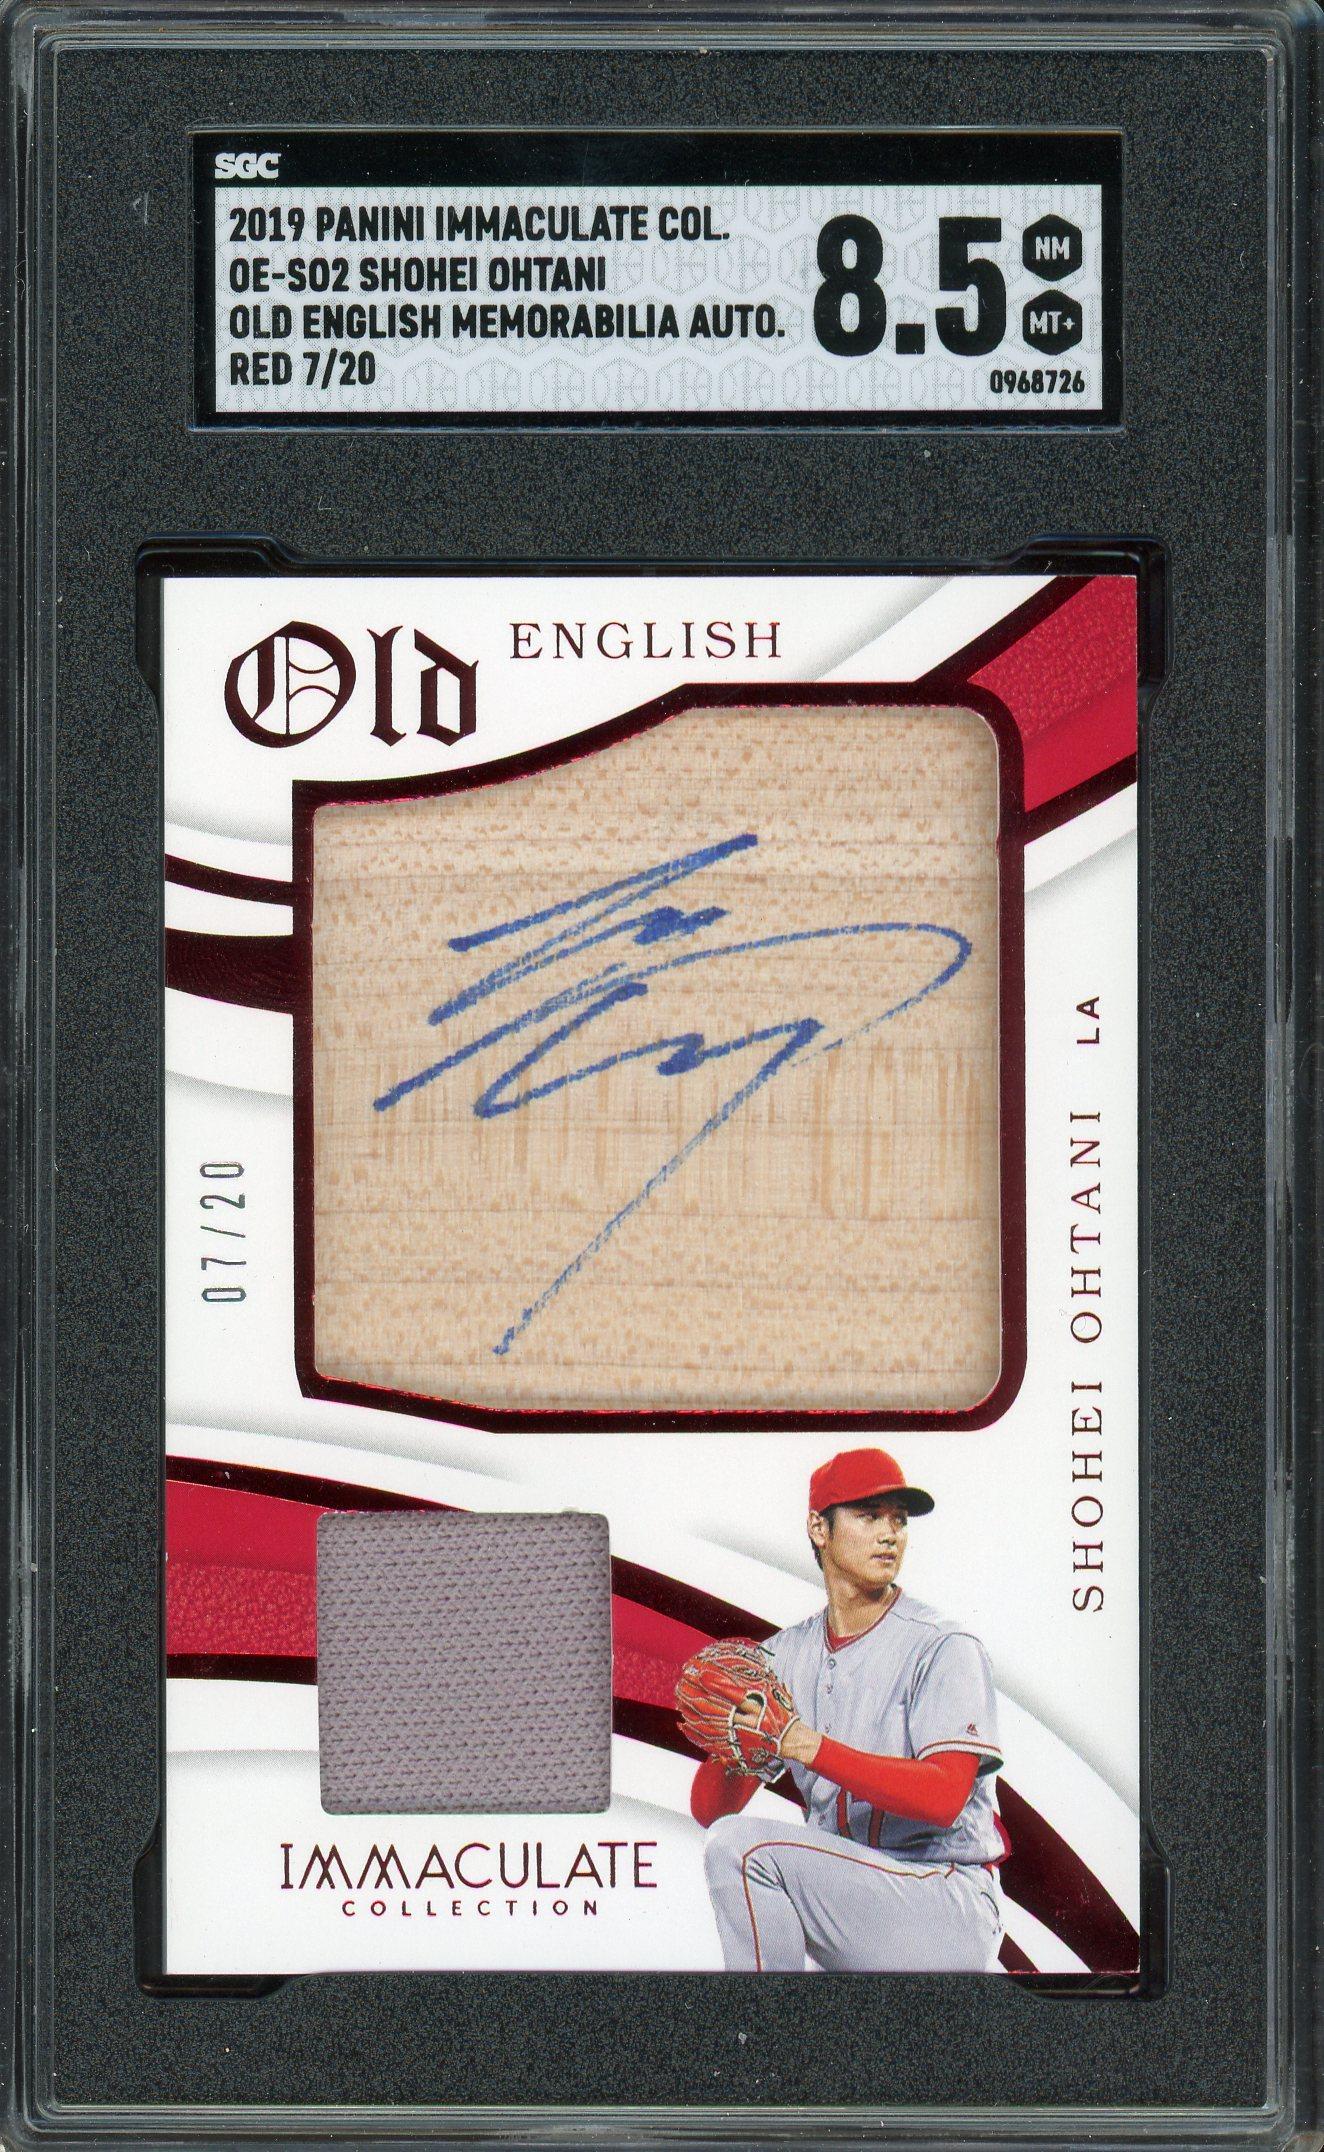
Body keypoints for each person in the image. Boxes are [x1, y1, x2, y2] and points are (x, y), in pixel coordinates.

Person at [694, 1446, 1008, 1972]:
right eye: (869, 1516)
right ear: (819, 1528)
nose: (890, 1534)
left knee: (742, 1852)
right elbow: (711, 1812)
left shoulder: (943, 1645)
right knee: (730, 1845)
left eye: (899, 1520)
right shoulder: (782, 1658)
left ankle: (762, 2025)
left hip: (945, 1897)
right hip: (855, 1894)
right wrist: (733, 1743)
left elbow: (944, 1797)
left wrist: (807, 1746)